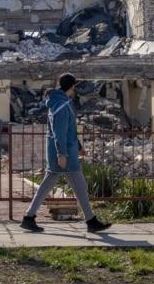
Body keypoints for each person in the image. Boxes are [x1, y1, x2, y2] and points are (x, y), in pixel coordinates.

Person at [20, 73, 112, 233]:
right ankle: (91, 221)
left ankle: (29, 217)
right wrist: (61, 154)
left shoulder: (59, 103)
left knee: (52, 184)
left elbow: (68, 131)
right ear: (72, 87)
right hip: (65, 154)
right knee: (79, 186)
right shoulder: (62, 106)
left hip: (66, 151)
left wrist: (78, 147)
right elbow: (60, 133)